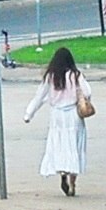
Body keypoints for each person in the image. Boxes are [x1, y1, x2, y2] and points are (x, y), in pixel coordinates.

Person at [22, 46, 92, 196]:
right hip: (73, 115)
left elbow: (39, 97)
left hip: (57, 117)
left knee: (60, 146)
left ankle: (63, 175)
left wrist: (28, 114)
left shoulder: (51, 77)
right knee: (74, 146)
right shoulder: (76, 75)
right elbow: (87, 92)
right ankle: (73, 182)